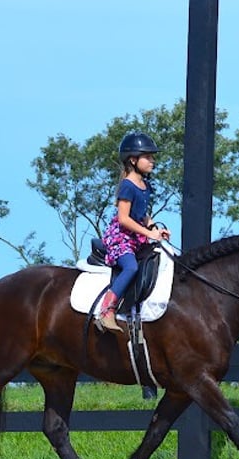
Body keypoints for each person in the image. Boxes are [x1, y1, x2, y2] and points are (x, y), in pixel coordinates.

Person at [95, 132, 171, 333]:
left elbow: (142, 215)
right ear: (133, 159)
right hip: (121, 237)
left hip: (136, 234)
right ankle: (107, 310)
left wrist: (155, 228)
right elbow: (124, 219)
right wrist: (147, 234)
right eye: (148, 157)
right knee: (130, 268)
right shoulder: (127, 186)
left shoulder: (145, 185)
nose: (152, 161)